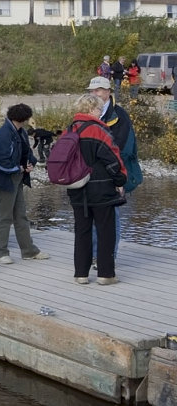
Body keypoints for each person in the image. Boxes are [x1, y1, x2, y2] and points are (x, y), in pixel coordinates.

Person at [67, 94, 127, 285]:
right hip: (101, 189)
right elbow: (112, 159)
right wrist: (120, 180)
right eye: (99, 109)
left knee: (82, 231)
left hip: (77, 188)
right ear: (92, 109)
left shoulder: (70, 129)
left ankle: (81, 274)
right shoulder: (98, 130)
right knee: (105, 231)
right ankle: (106, 274)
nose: (101, 112)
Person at [87, 75, 141, 259]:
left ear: (108, 92)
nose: (94, 94)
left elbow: (124, 150)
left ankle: (109, 256)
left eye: (98, 90)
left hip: (113, 174)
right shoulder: (89, 113)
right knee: (93, 217)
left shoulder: (119, 115)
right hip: (92, 175)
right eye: (92, 91)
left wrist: (117, 176)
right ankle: (95, 256)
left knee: (112, 218)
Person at [0, 104, 49, 264]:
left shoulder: (20, 131)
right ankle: (0, 252)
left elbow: (27, 152)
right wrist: (19, 168)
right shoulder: (4, 134)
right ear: (24, 118)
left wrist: (30, 163)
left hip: (18, 177)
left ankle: (28, 250)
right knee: (4, 216)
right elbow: (2, 159)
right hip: (6, 179)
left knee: (20, 215)